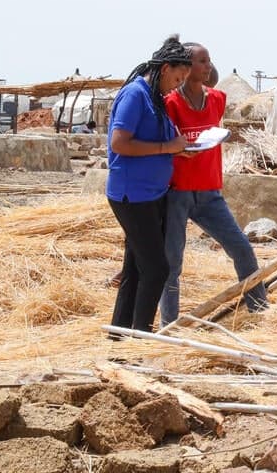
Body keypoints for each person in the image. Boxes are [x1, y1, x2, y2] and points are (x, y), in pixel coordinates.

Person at [160, 42, 267, 326]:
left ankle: (259, 310)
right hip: (177, 192)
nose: (208, 66)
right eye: (202, 61)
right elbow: (166, 143)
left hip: (209, 191)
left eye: (209, 61)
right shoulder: (170, 103)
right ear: (185, 67)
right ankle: (169, 325)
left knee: (241, 248)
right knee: (172, 263)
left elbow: (214, 131)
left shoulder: (217, 99)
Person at [106, 35, 192, 333]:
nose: (177, 86)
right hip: (133, 195)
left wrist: (177, 148)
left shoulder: (154, 97)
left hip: (151, 194)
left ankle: (120, 336)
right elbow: (120, 143)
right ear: (165, 68)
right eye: (178, 78)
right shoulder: (135, 94)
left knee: (135, 268)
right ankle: (139, 335)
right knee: (157, 270)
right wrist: (167, 148)